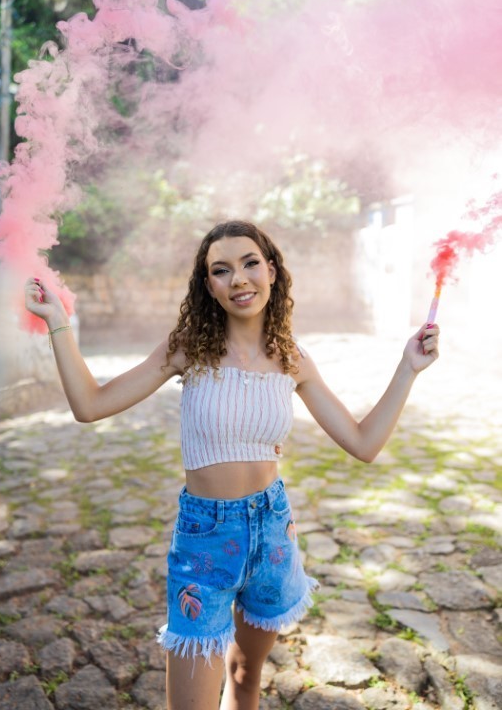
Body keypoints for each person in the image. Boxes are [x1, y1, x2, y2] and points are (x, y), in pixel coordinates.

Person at [25, 219, 439, 710]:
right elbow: (90, 405)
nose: (238, 279)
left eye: (249, 263)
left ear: (271, 270)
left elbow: (363, 442)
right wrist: (57, 322)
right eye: (221, 270)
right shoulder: (188, 350)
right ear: (209, 286)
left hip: (272, 534)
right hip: (204, 541)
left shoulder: (292, 359)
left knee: (244, 674)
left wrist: (408, 367)